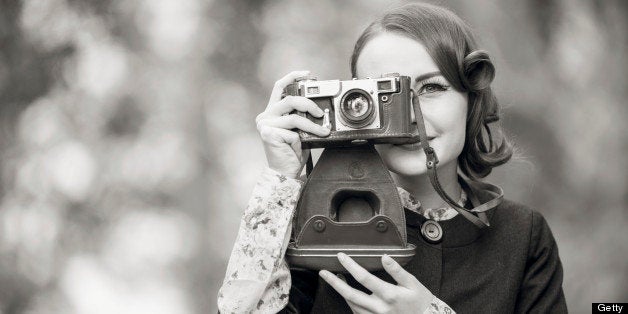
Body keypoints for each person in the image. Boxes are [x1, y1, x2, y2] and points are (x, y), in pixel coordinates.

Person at [217, 3, 567, 313]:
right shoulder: (312, 226)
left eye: (431, 88)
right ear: (351, 105)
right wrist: (279, 182)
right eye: (384, 96)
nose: (410, 117)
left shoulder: (522, 235)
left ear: (471, 100)